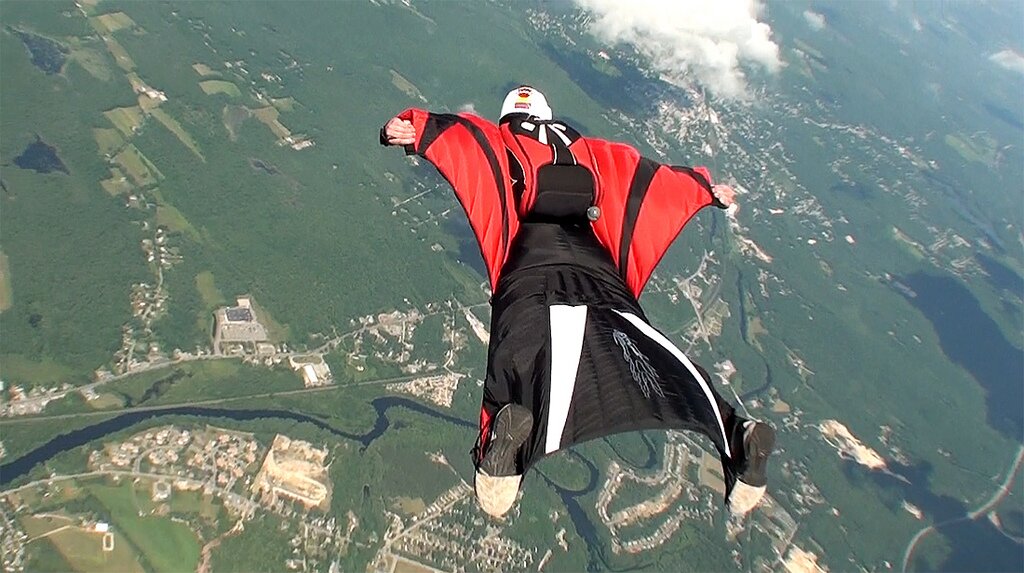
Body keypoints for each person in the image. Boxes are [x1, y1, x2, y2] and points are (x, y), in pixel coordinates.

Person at [380, 85, 775, 519]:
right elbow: (650, 180)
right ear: (550, 119)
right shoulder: (593, 153)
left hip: (530, 270)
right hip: (602, 274)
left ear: (509, 118)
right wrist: (704, 188)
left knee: (514, 359)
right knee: (653, 352)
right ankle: (735, 432)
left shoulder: (503, 140)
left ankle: (502, 459)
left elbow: (466, 138)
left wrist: (412, 128)